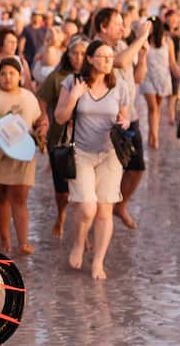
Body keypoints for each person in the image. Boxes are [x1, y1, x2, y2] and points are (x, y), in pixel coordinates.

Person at [54, 40, 132, 281]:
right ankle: (79, 243)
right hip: (81, 153)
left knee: (105, 211)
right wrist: (73, 98)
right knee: (88, 208)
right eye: (103, 56)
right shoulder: (73, 82)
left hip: (110, 154)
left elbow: (126, 117)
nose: (109, 61)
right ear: (90, 59)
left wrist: (125, 122)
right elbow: (59, 117)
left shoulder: (119, 84)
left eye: (111, 56)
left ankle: (98, 261)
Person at [0, 57, 46, 256]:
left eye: (12, 73)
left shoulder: (28, 97)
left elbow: (38, 121)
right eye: (3, 73)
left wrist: (42, 127)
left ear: (20, 76)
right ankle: (4, 240)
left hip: (22, 155)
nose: (7, 77)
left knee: (19, 198)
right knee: (0, 197)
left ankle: (24, 242)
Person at [91, 8, 151, 229]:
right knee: (100, 174)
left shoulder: (123, 45)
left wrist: (142, 55)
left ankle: (120, 206)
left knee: (137, 168)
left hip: (129, 115)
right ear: (103, 27)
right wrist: (141, 37)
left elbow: (137, 78)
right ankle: (92, 222)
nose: (122, 27)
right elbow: (119, 62)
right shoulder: (96, 47)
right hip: (105, 118)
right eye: (117, 24)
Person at [37, 35, 88, 239]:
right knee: (62, 189)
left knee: (84, 188)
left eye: (83, 53)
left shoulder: (94, 76)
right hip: (59, 138)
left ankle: (82, 231)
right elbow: (42, 99)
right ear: (68, 54)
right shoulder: (58, 76)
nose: (78, 57)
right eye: (75, 53)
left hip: (85, 139)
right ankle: (61, 215)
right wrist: (44, 118)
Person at [139, 17, 178, 149]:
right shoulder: (144, 41)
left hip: (162, 78)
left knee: (157, 108)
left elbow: (172, 62)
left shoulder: (168, 42)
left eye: (150, 26)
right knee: (153, 107)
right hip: (147, 77)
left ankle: (152, 133)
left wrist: (178, 75)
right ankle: (154, 136)